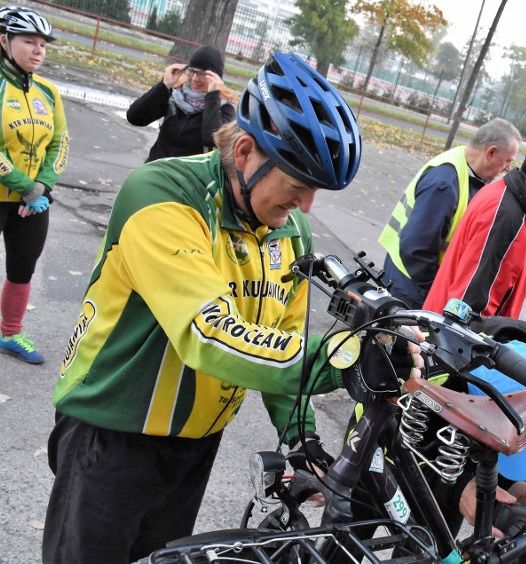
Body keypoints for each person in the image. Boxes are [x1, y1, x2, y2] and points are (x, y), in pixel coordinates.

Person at [42, 53, 418, 564]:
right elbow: (208, 332)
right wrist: (343, 360)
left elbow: (281, 330)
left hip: (196, 442)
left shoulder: (290, 229)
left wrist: (303, 439)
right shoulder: (162, 194)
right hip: (114, 435)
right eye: (298, 187)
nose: (307, 206)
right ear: (244, 151)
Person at [378, 118, 521, 309]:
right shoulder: (445, 183)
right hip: (411, 287)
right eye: (507, 161)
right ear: (491, 152)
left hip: (409, 281)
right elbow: (417, 249)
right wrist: (438, 293)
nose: (507, 169)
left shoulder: (463, 166)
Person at [423, 140, 526, 318]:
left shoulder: (504, 194)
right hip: (450, 332)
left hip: (443, 321)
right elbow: (471, 293)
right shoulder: (508, 216)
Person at [0, 7, 68, 365]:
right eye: (29, 41)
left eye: (43, 44)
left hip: (33, 200)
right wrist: (25, 185)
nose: (38, 50)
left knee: (23, 267)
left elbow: (61, 141)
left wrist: (41, 187)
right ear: (4, 42)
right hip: (8, 193)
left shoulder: (48, 91)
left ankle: (10, 333)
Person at [126, 44, 236, 162]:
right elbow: (135, 117)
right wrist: (164, 85)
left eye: (202, 74)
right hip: (156, 171)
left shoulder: (224, 107)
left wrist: (213, 96)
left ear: (215, 77)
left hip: (189, 178)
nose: (194, 78)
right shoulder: (176, 95)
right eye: (191, 71)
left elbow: (212, 139)